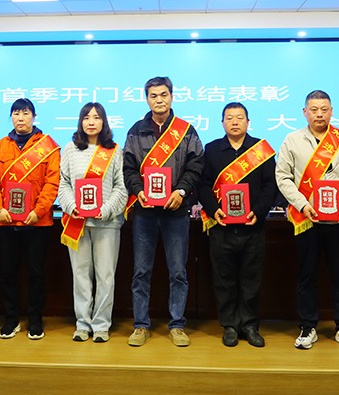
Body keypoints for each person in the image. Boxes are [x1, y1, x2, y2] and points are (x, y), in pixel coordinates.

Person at [276, 91, 339, 352]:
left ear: (331, 111)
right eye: (314, 109)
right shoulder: (292, 140)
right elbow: (283, 177)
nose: (319, 114)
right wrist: (302, 204)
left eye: (324, 109)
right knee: (307, 274)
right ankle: (307, 326)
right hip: (306, 219)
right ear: (305, 112)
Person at [123, 76, 204, 347]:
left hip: (176, 212)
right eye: (153, 95)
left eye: (163, 94)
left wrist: (181, 191)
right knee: (141, 271)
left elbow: (196, 165)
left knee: (178, 271)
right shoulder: (135, 131)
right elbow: (128, 168)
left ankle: (177, 325)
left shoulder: (187, 130)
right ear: (147, 99)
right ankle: (140, 325)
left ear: (171, 96)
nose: (159, 100)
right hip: (145, 212)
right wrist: (138, 191)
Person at [197, 102, 277, 348]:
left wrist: (258, 212)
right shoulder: (211, 150)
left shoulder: (260, 149)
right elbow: (203, 185)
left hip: (253, 227)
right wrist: (214, 209)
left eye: (239, 117)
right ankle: (230, 326)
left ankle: (250, 325)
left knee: (251, 279)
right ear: (222, 122)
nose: (234, 122)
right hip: (221, 227)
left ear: (248, 122)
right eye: (229, 117)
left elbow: (270, 185)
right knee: (224, 279)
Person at [0, 98, 60, 340]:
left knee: (36, 273)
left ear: (34, 117)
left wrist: (38, 210)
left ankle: (35, 319)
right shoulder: (0, 146)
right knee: (8, 272)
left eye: (25, 113)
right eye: (16, 113)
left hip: (37, 221)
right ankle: (11, 319)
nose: (20, 118)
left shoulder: (48, 146)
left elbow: (52, 182)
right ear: (11, 117)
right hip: (5, 221)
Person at [58, 102, 127, 343]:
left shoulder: (114, 151)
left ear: (104, 122)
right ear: (80, 122)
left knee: (105, 276)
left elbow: (121, 187)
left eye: (96, 117)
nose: (91, 122)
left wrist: (106, 210)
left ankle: (101, 325)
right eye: (86, 117)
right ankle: (82, 324)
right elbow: (63, 184)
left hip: (107, 223)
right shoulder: (70, 149)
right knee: (80, 275)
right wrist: (72, 206)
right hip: (77, 222)